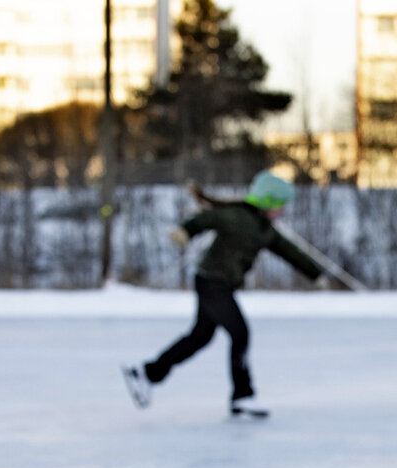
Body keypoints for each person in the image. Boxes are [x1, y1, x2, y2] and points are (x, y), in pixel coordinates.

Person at [122, 171, 326, 417]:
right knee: (240, 334)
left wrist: (315, 273)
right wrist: (185, 231)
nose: (282, 211)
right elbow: (208, 218)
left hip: (218, 285)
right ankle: (243, 396)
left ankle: (146, 373)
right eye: (280, 206)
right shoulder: (236, 216)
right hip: (213, 283)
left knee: (200, 337)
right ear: (268, 201)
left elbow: (289, 251)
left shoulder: (265, 230)